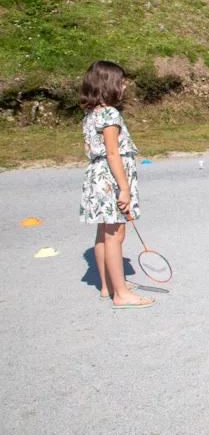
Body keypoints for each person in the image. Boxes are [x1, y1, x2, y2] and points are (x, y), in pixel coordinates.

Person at [79, 61, 155, 310]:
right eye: (121, 82)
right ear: (110, 85)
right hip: (112, 179)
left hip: (97, 178)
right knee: (115, 234)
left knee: (104, 232)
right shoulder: (110, 113)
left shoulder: (91, 114)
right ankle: (120, 294)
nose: (124, 86)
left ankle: (107, 285)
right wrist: (124, 189)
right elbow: (113, 154)